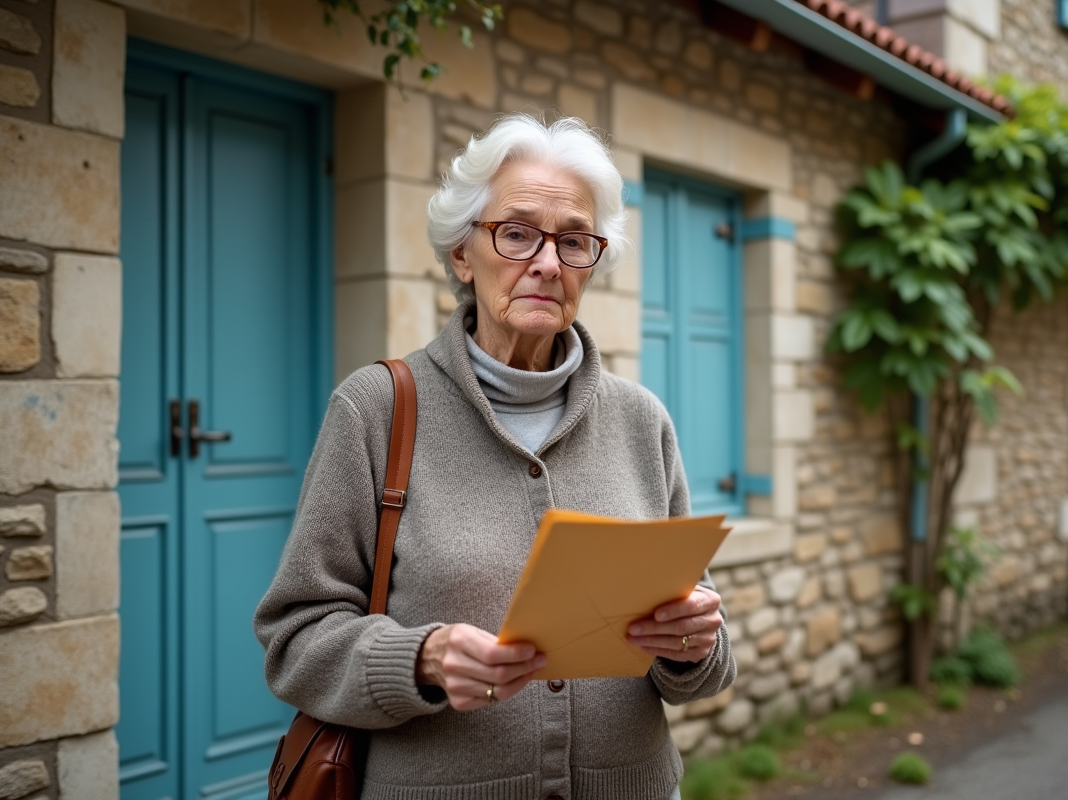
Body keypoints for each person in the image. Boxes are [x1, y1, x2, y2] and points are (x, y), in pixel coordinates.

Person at [255, 114, 737, 800]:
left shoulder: (641, 420)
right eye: (516, 233)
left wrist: (695, 643)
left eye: (574, 241)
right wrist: (418, 659)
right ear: (462, 253)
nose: (546, 262)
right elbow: (294, 640)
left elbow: (705, 663)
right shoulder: (377, 409)